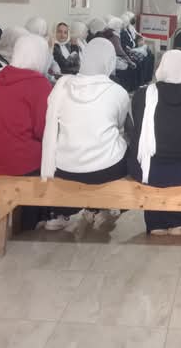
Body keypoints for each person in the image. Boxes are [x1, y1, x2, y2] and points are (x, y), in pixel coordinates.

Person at [0, 35, 61, 230]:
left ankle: (31, 216)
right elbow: (42, 130)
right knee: (59, 155)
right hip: (17, 158)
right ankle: (44, 216)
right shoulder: (38, 83)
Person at [41, 38, 129, 236]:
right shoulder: (118, 92)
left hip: (64, 168)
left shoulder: (62, 86)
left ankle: (74, 210)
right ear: (109, 61)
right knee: (127, 150)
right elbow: (120, 126)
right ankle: (106, 207)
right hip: (106, 170)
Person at [127, 50, 181, 239]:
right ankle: (178, 221)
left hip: (146, 170)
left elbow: (139, 131)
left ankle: (156, 223)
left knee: (151, 158)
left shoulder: (143, 95)